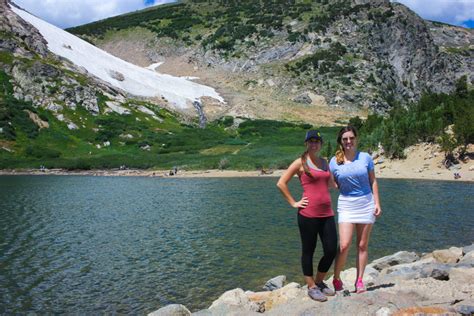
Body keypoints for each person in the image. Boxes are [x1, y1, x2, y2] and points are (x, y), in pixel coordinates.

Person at [277, 130, 337, 302]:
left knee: (332, 249)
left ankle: (319, 281)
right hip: (308, 214)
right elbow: (281, 183)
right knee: (308, 250)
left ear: (321, 144)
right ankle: (311, 286)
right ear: (306, 144)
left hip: (327, 213)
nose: (314, 144)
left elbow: (332, 184)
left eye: (317, 141)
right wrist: (294, 202)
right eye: (311, 141)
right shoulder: (300, 163)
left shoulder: (325, 162)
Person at [329, 126, 382, 294]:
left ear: (356, 139)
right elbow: (332, 183)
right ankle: (336, 278)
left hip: (366, 203)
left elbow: (373, 181)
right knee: (344, 245)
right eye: (345, 139)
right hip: (346, 203)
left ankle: (359, 281)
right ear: (341, 142)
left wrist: (377, 203)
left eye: (351, 138)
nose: (348, 141)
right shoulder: (334, 161)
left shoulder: (365, 157)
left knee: (362, 245)